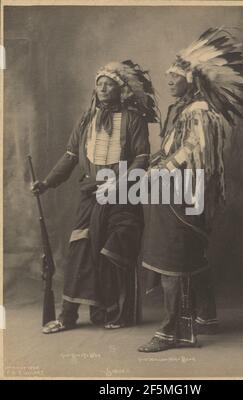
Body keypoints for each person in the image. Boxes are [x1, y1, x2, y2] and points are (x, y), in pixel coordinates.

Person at [138, 27, 243, 352]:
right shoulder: (184, 110)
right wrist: (155, 162)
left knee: (173, 258)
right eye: (170, 76)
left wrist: (158, 172)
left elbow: (193, 152)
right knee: (189, 254)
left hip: (184, 193)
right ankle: (206, 317)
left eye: (175, 76)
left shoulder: (199, 112)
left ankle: (172, 331)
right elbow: (174, 147)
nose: (169, 81)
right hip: (177, 192)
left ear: (192, 78)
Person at [31, 60, 159, 333]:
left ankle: (118, 311)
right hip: (91, 195)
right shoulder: (86, 119)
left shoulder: (134, 119)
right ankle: (68, 316)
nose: (102, 87)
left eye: (108, 83)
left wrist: (118, 184)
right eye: (99, 82)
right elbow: (70, 157)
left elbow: (142, 159)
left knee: (115, 251)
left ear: (120, 88)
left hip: (124, 196)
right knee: (80, 250)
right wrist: (47, 183)